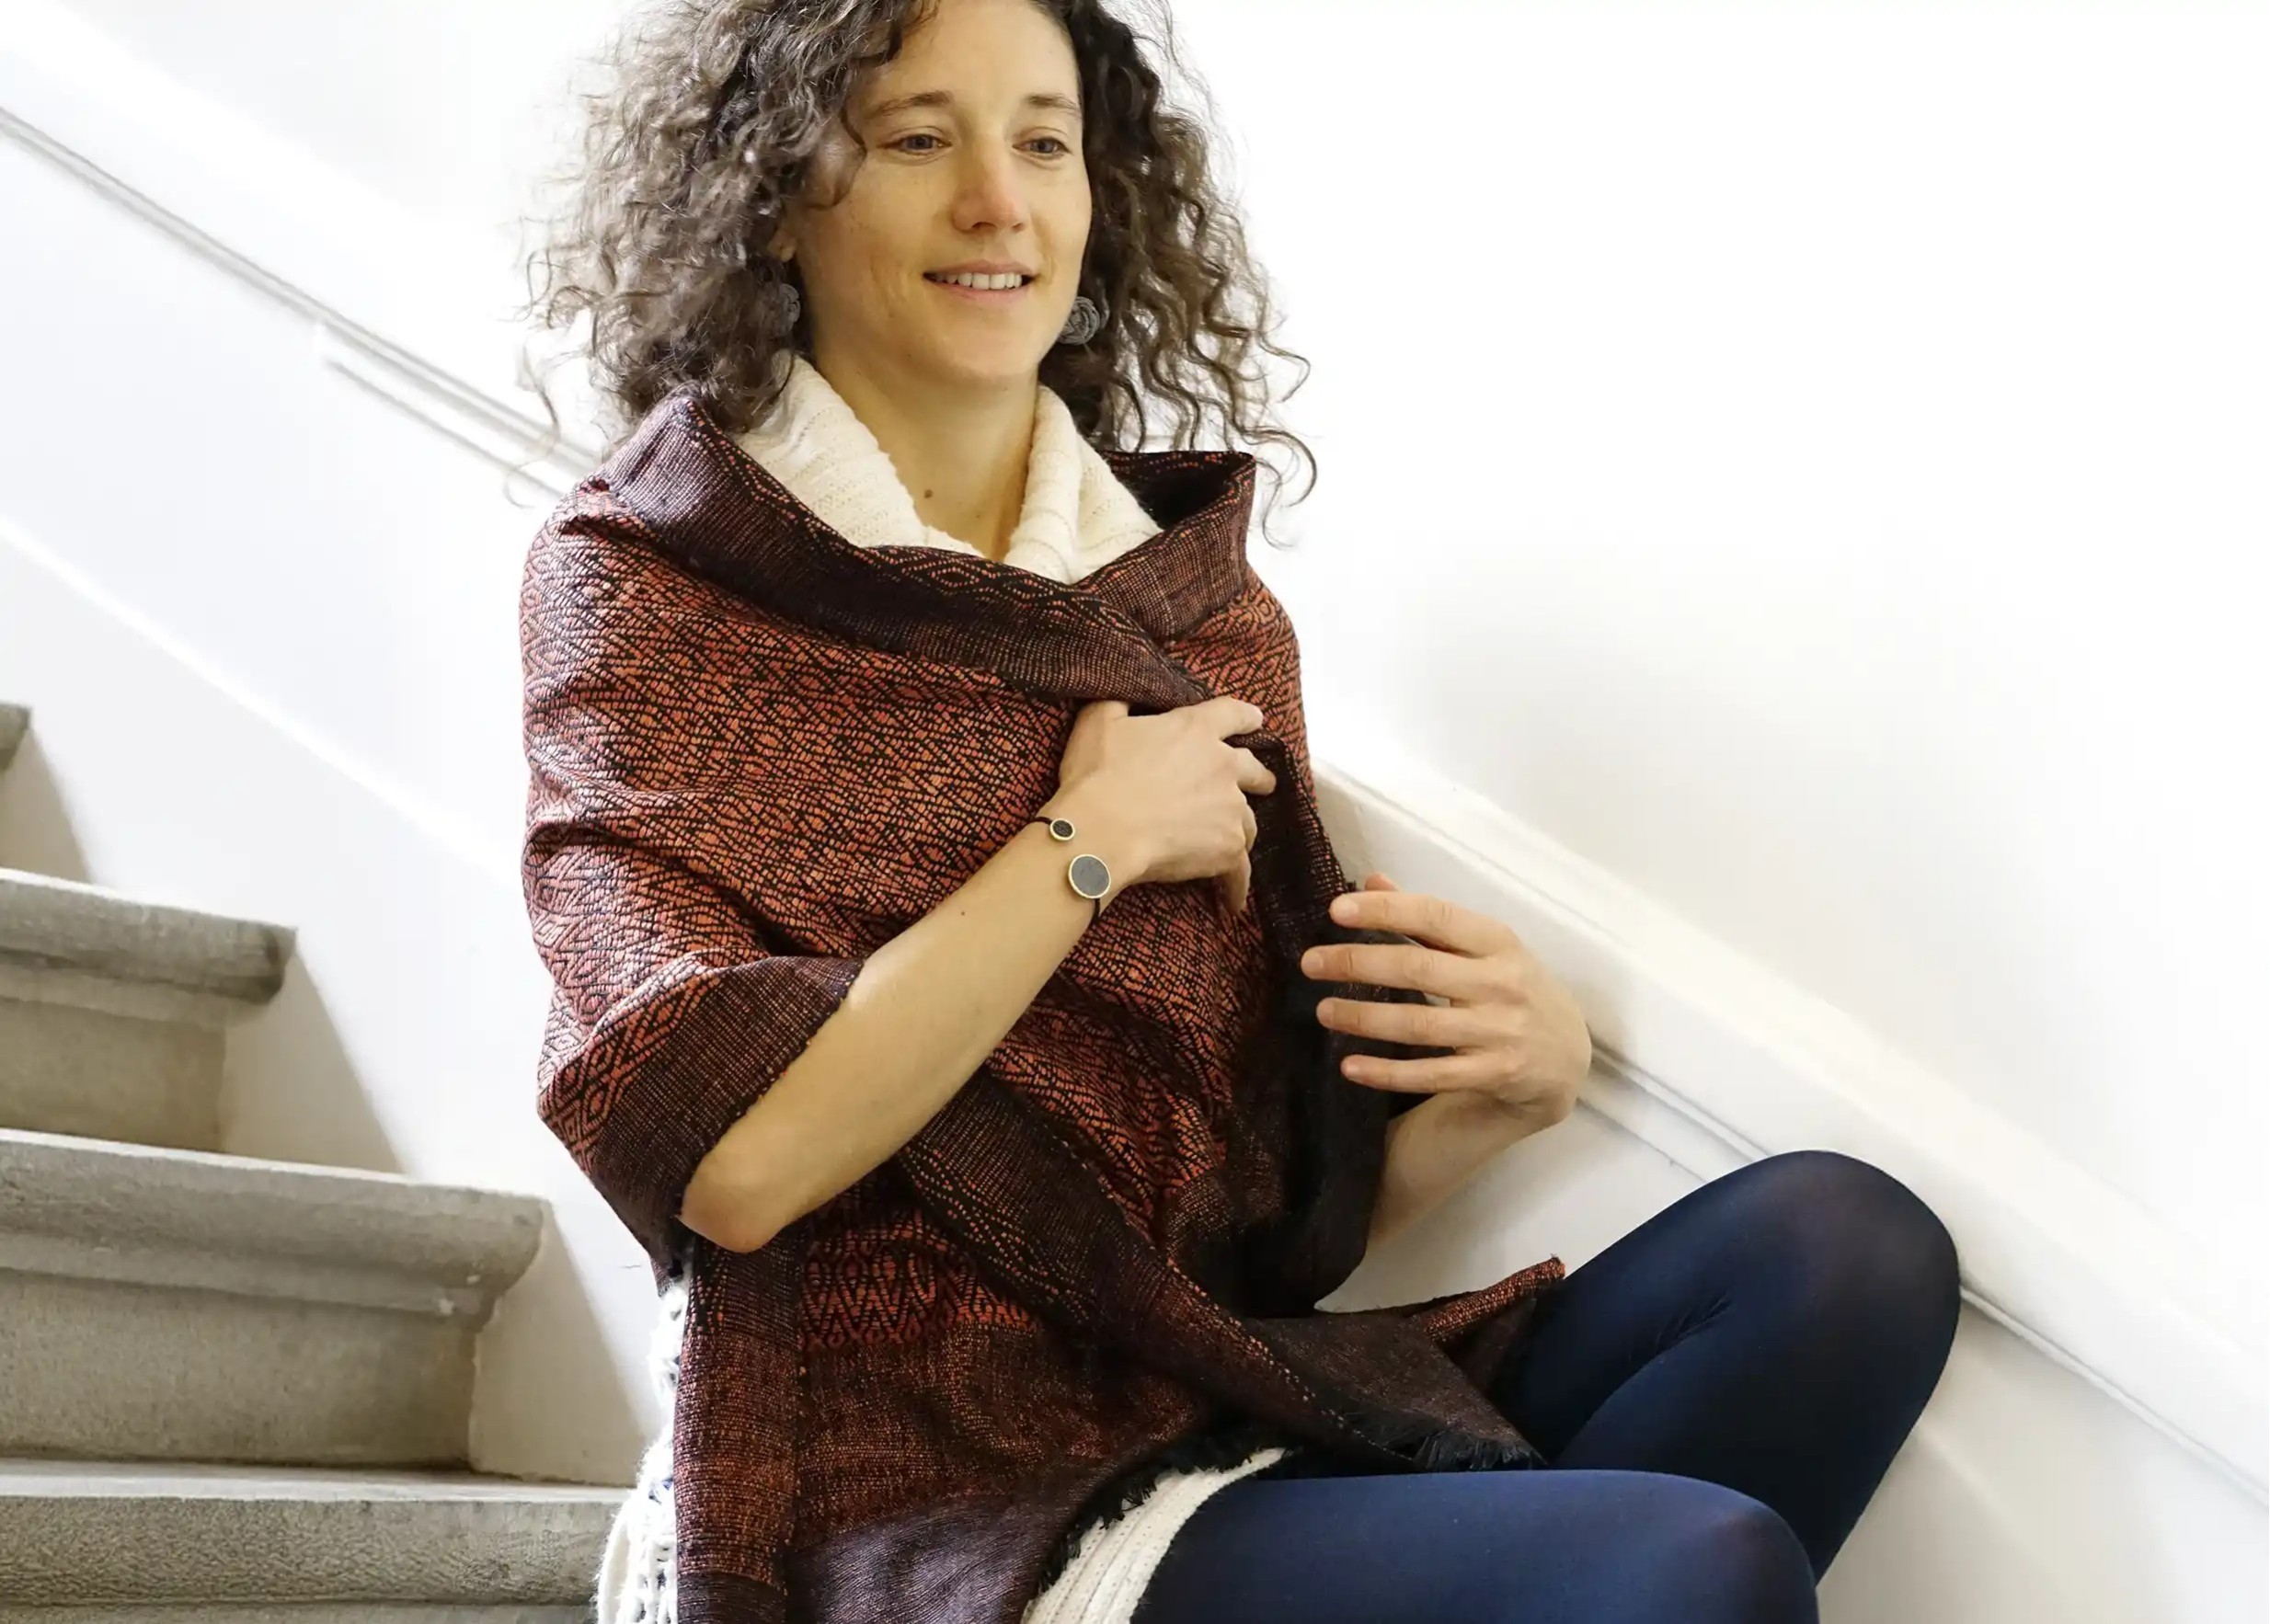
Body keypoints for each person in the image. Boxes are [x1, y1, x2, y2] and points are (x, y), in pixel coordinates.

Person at [513, 2, 1963, 1621]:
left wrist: (1496, 1100)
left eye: (1045, 141)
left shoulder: (1193, 611)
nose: (1003, 200)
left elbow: (1243, 1240)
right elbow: (737, 1164)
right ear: (777, 191)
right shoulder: (653, 580)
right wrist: (1084, 847)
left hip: (1208, 1401)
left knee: (1848, 1252)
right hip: (907, 1499)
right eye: (920, 138)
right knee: (1701, 1562)